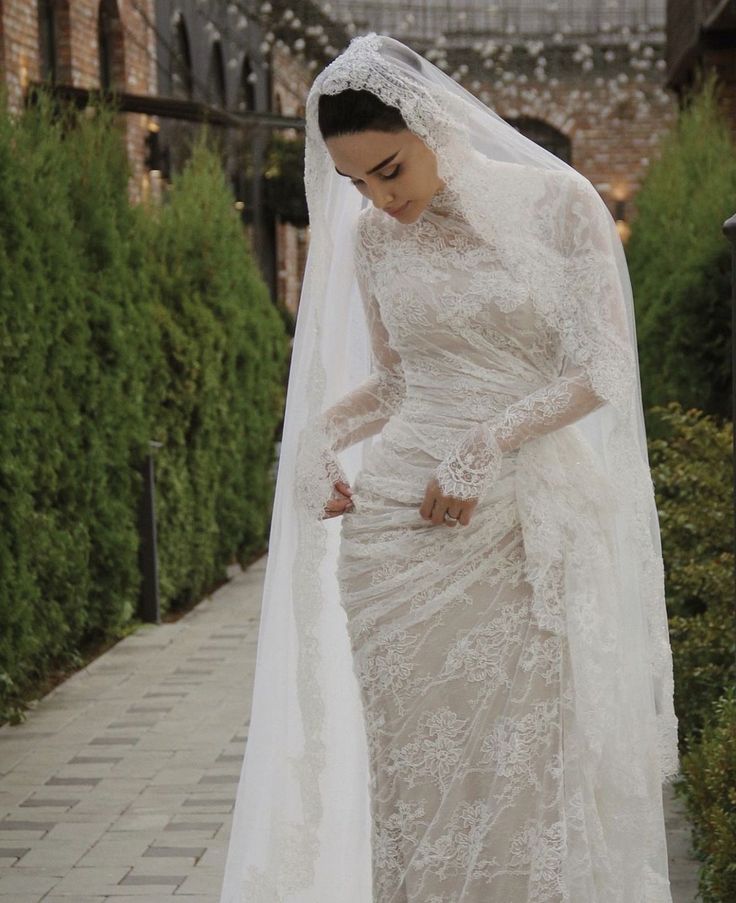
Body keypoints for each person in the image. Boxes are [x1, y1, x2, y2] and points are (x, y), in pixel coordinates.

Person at [219, 33, 679, 903]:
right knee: (413, 773)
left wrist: (487, 441)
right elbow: (396, 381)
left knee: (523, 759)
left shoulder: (558, 205)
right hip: (394, 534)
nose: (378, 199)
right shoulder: (375, 242)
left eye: (389, 169)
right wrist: (317, 433)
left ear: (432, 122)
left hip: (516, 525)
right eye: (356, 182)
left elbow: (605, 368)